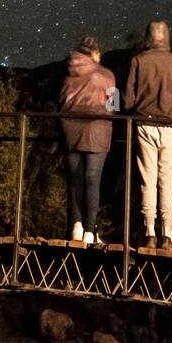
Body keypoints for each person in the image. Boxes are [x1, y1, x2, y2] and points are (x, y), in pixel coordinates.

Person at [124, 20, 172, 252]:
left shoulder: (138, 61)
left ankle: (149, 233)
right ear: (167, 38)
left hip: (145, 124)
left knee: (148, 180)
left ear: (148, 38)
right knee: (168, 182)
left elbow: (128, 101)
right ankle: (167, 235)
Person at [58, 34, 116, 246]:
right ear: (94, 53)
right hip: (97, 131)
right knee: (93, 180)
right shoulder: (107, 75)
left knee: (75, 179)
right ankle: (90, 232)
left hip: (70, 131)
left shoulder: (67, 74)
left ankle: (76, 226)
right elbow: (114, 106)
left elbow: (60, 101)